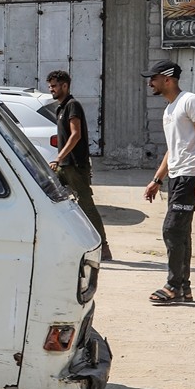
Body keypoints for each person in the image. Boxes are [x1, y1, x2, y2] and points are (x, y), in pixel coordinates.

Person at [141, 59, 195, 305]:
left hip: (190, 176)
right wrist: (157, 179)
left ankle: (173, 286)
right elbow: (173, 149)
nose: (150, 82)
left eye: (153, 78)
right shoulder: (169, 109)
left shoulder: (189, 101)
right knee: (181, 233)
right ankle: (183, 288)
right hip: (176, 176)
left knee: (172, 229)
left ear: (168, 79)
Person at [46, 70, 111, 262]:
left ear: (65, 86)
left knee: (86, 205)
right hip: (64, 166)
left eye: (55, 86)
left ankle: (104, 247)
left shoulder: (72, 106)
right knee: (51, 200)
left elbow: (76, 135)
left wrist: (59, 158)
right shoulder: (61, 108)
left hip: (74, 165)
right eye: (50, 86)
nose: (51, 89)